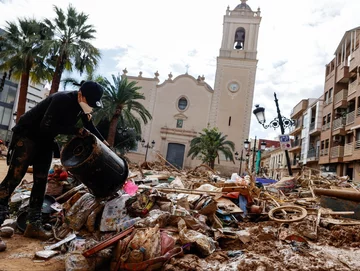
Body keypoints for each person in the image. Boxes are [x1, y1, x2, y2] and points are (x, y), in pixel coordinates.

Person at [0, 81, 109, 251]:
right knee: (13, 179)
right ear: (81, 94)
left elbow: (89, 126)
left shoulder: (82, 107)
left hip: (45, 140)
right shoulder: (62, 99)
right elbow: (46, 125)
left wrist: (104, 142)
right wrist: (75, 130)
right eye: (89, 102)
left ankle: (33, 225)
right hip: (27, 136)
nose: (90, 107)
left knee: (41, 181)